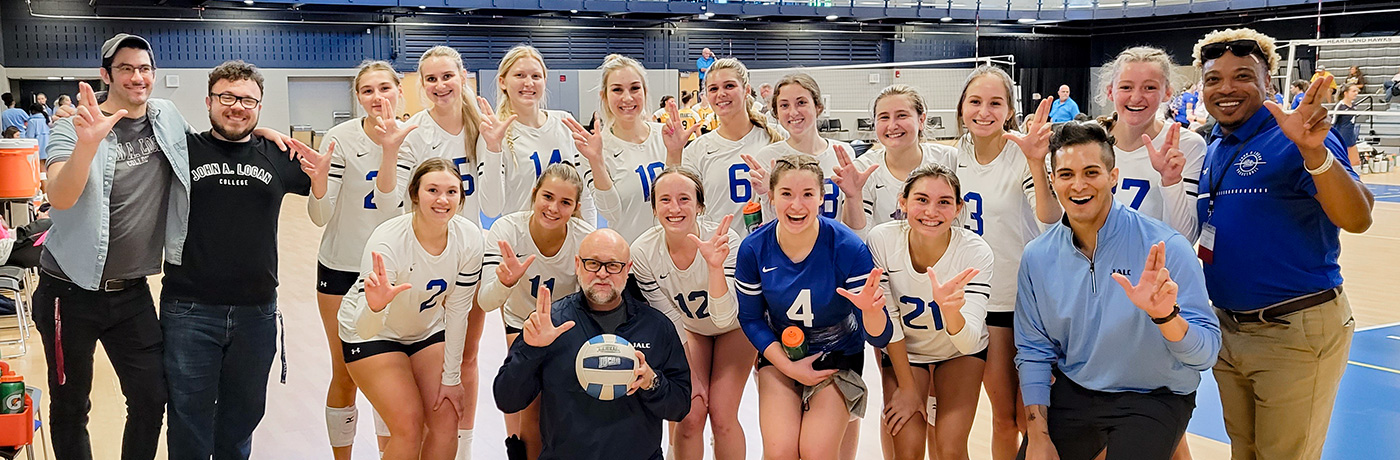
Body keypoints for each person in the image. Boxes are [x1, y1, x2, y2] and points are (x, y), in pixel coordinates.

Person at [1193, 28, 1373, 459]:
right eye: (1214, 79)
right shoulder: (1216, 143)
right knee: (1245, 450)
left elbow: (1358, 217)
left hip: (1293, 330)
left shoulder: (1297, 134)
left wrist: (1315, 154)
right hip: (1230, 329)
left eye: (1242, 76)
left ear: (1269, 83)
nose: (1227, 88)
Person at [1017, 120, 1220, 460]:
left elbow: (1206, 355)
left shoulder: (1165, 248)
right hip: (1079, 389)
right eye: (1066, 174)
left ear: (1113, 177)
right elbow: (1033, 351)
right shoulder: (1037, 257)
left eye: (1091, 172)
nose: (1078, 185)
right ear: (1052, 182)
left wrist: (1165, 317)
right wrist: (1037, 437)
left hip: (1155, 395)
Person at [32, 33, 182, 460]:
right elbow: (59, 196)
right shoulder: (72, 126)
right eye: (126, 68)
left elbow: (202, 150)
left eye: (144, 68)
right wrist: (88, 144)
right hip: (67, 292)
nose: (137, 77)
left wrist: (259, 131)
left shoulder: (166, 116)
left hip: (130, 293)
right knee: (70, 404)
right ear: (106, 74)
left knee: (152, 398)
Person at [158, 60, 317, 459]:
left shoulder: (276, 155)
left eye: (248, 100)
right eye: (227, 97)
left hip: (257, 312)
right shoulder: (183, 151)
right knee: (188, 420)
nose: (237, 106)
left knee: (242, 419)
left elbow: (326, 179)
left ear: (260, 107)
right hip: (189, 310)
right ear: (209, 102)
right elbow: (152, 113)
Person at [493, 229, 692, 460]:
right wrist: (531, 349)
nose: (602, 274)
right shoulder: (552, 323)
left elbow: (680, 407)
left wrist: (651, 382)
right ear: (578, 265)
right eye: (592, 263)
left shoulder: (656, 327)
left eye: (613, 265)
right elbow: (507, 400)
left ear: (628, 270)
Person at [338, 158, 485, 460]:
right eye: (433, 190)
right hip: (370, 333)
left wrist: (452, 378)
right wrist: (377, 307)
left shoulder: (469, 239)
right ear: (415, 194)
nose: (442, 200)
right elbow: (366, 328)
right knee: (408, 426)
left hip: (424, 331)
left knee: (446, 422)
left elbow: (458, 313)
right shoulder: (387, 240)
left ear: (461, 197)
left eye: (452, 192)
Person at [305, 60, 414, 460]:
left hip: (392, 271)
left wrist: (391, 149)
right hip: (339, 267)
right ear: (357, 97)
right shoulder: (339, 137)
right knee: (345, 371)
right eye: (367, 90)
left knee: (390, 373)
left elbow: (391, 209)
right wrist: (318, 186)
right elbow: (319, 217)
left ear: (399, 91)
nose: (377, 97)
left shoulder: (415, 138)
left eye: (385, 88)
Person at [954, 65, 1061, 460]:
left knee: (1032, 419)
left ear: (1010, 110)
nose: (984, 111)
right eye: (975, 102)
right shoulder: (953, 157)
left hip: (1031, 302)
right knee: (1002, 419)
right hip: (984, 303)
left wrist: (1036, 161)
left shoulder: (1022, 155)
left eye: (995, 102)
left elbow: (1049, 217)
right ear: (962, 108)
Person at [869, 164, 993, 460]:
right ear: (903, 202)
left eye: (944, 202)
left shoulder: (975, 252)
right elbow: (891, 322)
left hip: (958, 353)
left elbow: (969, 341)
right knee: (908, 449)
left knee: (951, 449)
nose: (931, 211)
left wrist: (951, 312)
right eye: (921, 199)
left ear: (959, 207)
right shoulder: (882, 240)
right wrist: (908, 388)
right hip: (907, 353)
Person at [476, 163, 596, 460]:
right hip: (522, 325)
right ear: (534, 194)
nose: (554, 208)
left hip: (568, 329)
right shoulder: (507, 230)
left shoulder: (585, 238)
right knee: (530, 407)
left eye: (565, 202)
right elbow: (486, 302)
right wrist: (505, 282)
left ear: (576, 207)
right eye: (548, 197)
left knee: (568, 407)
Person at [630, 168, 747, 460]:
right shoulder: (643, 251)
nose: (674, 208)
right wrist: (692, 376)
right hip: (690, 329)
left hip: (735, 328)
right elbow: (667, 316)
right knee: (689, 412)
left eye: (684, 198)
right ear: (654, 207)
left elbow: (724, 317)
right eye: (665, 199)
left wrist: (715, 268)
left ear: (699, 205)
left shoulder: (725, 240)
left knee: (722, 415)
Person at [568, 54, 694, 242]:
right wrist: (597, 162)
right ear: (604, 96)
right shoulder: (595, 149)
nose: (627, 98)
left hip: (675, 254)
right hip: (629, 259)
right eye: (617, 90)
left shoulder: (667, 136)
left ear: (644, 91)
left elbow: (684, 202)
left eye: (635, 88)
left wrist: (675, 153)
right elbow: (611, 213)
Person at [1098, 46, 1207, 242]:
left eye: (1150, 87)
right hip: (1093, 268)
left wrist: (1171, 180)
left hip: (1153, 269)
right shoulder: (1089, 138)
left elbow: (1184, 239)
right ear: (1110, 91)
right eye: (1126, 87)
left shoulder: (1186, 145)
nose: (1136, 97)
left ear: (1167, 93)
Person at [478, 45, 597, 225]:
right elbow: (491, 208)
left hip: (566, 239)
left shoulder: (565, 123)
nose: (528, 83)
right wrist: (493, 148)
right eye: (519, 75)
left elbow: (584, 193)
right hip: (521, 240)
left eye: (536, 76)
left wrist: (589, 235)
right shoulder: (494, 134)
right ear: (503, 82)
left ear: (544, 81)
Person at [681, 58, 783, 237]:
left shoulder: (777, 137)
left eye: (729, 86)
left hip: (773, 249)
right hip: (721, 252)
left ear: (747, 90)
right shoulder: (696, 150)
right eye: (713, 89)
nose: (721, 94)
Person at [842, 84, 959, 238]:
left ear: (921, 120)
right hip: (884, 260)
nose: (892, 126)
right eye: (884, 117)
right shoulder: (864, 168)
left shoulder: (950, 159)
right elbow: (856, 237)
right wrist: (853, 197)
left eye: (902, 116)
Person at [746, 74, 851, 225]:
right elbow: (770, 228)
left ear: (818, 106)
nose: (793, 112)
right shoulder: (768, 157)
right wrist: (767, 196)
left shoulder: (843, 153)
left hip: (833, 246)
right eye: (784, 105)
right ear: (776, 113)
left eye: (801, 103)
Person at [1333, 83, 1362, 160]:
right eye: (1354, 91)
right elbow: (1332, 123)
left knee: (1356, 161)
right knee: (1344, 162)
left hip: (1351, 136)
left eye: (1357, 91)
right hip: (1342, 137)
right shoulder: (1340, 106)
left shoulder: (1354, 105)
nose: (1356, 93)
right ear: (1345, 93)